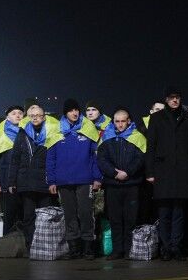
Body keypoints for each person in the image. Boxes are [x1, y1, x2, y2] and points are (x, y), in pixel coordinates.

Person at [46, 99, 102, 259]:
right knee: (69, 214)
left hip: (85, 180)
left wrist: (97, 177)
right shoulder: (56, 130)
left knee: (85, 213)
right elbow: (51, 158)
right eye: (71, 110)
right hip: (63, 181)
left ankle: (88, 247)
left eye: (77, 110)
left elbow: (95, 157)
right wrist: (52, 180)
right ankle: (74, 248)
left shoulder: (88, 128)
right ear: (65, 113)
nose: (75, 113)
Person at [145, 86, 188, 261]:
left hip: (182, 171)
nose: (175, 100)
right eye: (172, 97)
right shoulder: (156, 118)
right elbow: (150, 146)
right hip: (163, 171)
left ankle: (177, 247)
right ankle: (166, 248)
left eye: (178, 97)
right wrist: (149, 172)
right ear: (166, 99)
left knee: (179, 213)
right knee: (164, 212)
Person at [98, 108, 147, 260]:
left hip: (132, 184)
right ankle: (117, 250)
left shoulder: (137, 137)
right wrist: (114, 173)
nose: (120, 124)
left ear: (129, 121)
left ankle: (128, 250)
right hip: (113, 185)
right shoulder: (106, 137)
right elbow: (101, 159)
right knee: (115, 219)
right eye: (117, 121)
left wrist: (127, 172)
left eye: (123, 121)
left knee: (131, 219)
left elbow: (140, 159)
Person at [10, 105, 60, 247]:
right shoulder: (22, 133)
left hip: (45, 181)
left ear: (44, 117)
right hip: (26, 182)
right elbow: (15, 158)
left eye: (38, 115)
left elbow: (55, 159)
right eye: (32, 116)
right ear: (28, 118)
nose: (35, 118)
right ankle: (30, 244)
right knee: (28, 216)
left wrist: (54, 180)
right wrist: (11, 181)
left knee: (46, 216)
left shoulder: (51, 131)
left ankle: (45, 244)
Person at [0, 105, 25, 231]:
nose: (18, 115)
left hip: (25, 180)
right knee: (9, 215)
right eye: (14, 113)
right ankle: (8, 242)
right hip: (6, 180)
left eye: (20, 113)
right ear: (7, 117)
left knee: (25, 215)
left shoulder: (28, 132)